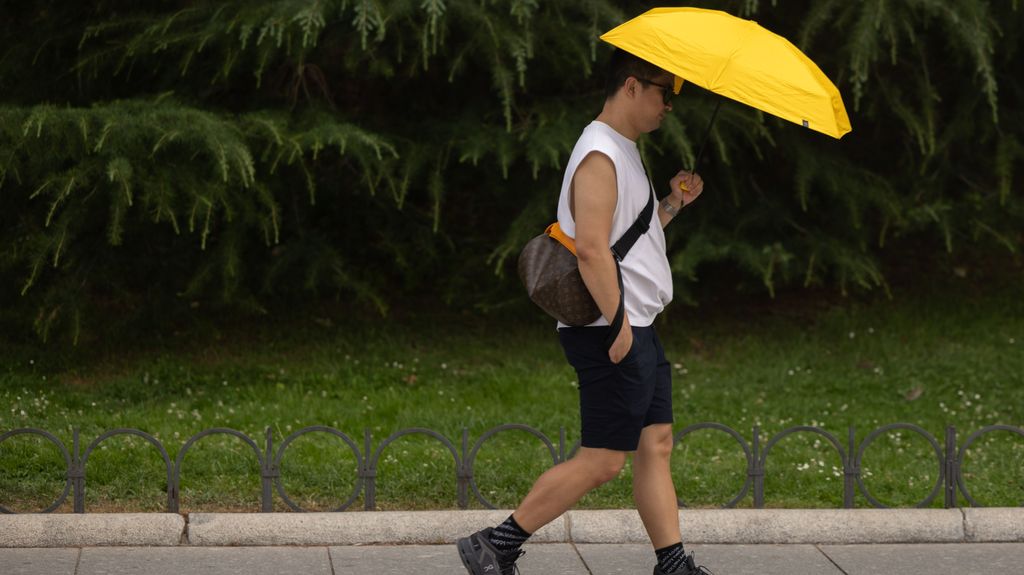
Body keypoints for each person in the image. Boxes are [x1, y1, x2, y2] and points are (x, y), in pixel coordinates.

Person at [457, 48, 710, 575]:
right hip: (610, 328)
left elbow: (627, 242)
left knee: (655, 443)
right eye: (666, 93)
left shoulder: (623, 150)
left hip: (634, 323)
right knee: (602, 460)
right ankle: (496, 544)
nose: (670, 106)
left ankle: (673, 563)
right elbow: (592, 250)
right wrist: (618, 327)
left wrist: (670, 206)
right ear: (633, 86)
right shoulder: (600, 154)